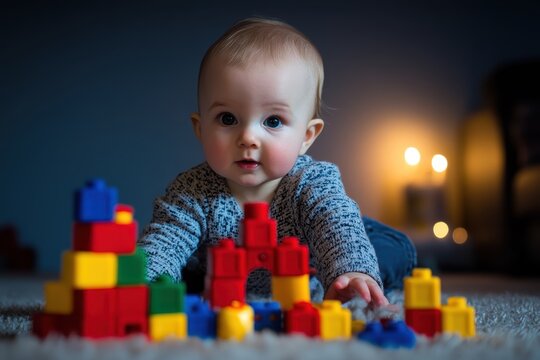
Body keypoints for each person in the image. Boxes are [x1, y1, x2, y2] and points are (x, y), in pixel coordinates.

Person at [138, 17, 416, 306]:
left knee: (388, 251)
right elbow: (165, 242)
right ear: (201, 128)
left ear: (307, 136)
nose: (248, 137)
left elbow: (336, 225)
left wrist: (352, 271)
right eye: (227, 119)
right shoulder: (192, 191)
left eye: (273, 121)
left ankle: (353, 278)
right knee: (182, 275)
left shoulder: (311, 182)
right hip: (225, 277)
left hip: (321, 257)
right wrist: (142, 280)